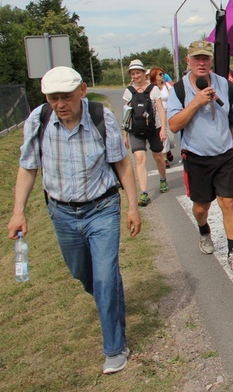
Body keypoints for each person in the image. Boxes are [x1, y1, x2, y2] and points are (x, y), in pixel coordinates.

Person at [7, 66, 141, 374]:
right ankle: (112, 302)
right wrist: (18, 212)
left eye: (66, 97)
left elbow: (121, 164)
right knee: (84, 275)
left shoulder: (100, 117)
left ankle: (115, 348)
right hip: (62, 213)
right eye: (53, 98)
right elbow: (28, 168)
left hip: (102, 209)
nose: (60, 104)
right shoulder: (38, 121)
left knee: (105, 276)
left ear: (81, 91)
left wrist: (132, 207)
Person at [167, 40, 233, 274]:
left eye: (205, 58)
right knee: (201, 207)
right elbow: (173, 125)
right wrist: (195, 102)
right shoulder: (179, 90)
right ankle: (204, 231)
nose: (201, 63)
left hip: (223, 155)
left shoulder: (224, 84)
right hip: (195, 157)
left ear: (211, 60)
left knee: (228, 202)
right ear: (188, 61)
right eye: (196, 58)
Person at [122, 59, 168, 205]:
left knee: (158, 156)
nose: (136, 76)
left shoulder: (153, 89)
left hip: (153, 128)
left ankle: (162, 179)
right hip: (135, 130)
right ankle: (144, 193)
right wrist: (124, 135)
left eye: (138, 73)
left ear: (143, 73)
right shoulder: (128, 92)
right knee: (140, 159)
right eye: (133, 73)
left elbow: (160, 109)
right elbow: (126, 114)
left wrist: (163, 128)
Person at [150, 66, 175, 168]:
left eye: (163, 74)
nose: (162, 76)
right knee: (163, 136)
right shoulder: (151, 89)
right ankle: (165, 158)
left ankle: (168, 150)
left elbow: (174, 97)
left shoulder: (168, 86)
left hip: (169, 113)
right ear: (154, 76)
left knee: (172, 137)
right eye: (160, 74)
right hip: (158, 115)